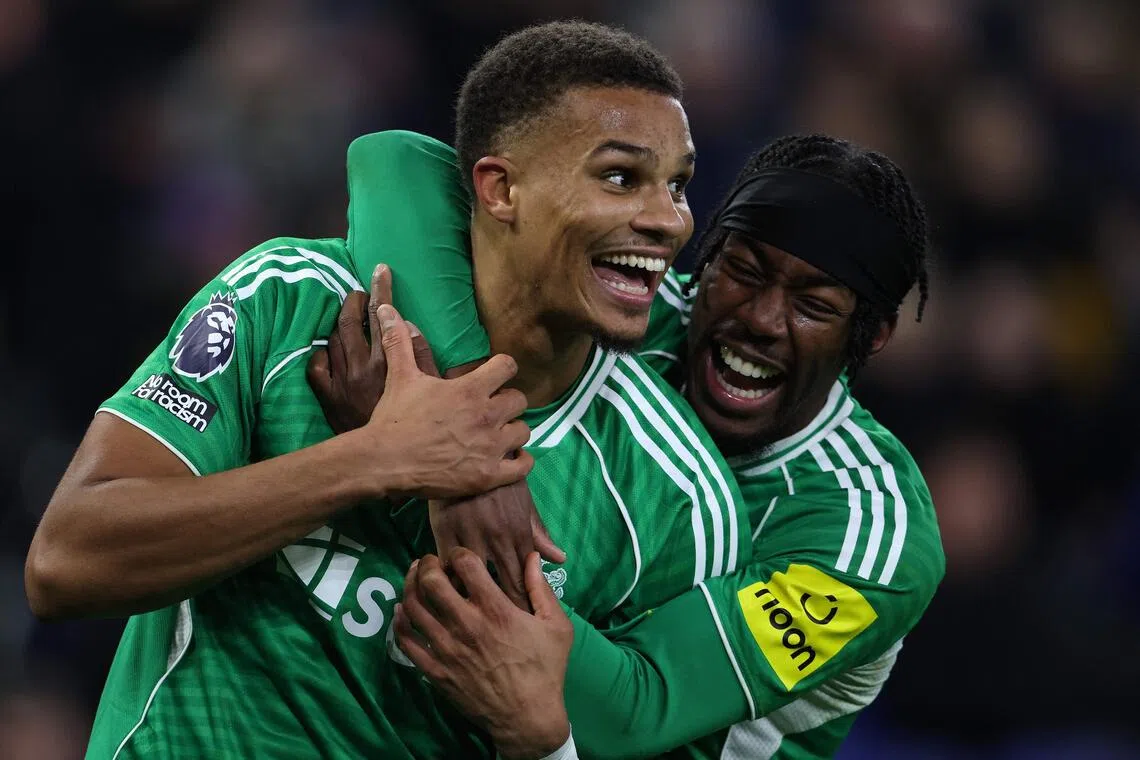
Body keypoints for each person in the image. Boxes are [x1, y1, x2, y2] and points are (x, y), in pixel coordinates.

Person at [25, 21, 749, 759]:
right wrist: (375, 460)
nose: (668, 220)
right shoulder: (290, 303)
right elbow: (65, 563)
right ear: (501, 189)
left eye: (679, 185)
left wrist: (542, 740)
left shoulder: (679, 498)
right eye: (621, 178)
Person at [314, 133, 946, 759]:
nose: (759, 318)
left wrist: (421, 466)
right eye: (743, 272)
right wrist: (453, 424)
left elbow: (631, 713)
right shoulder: (635, 313)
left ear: (871, 337)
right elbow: (392, 162)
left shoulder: (869, 533)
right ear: (707, 258)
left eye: (813, 306)